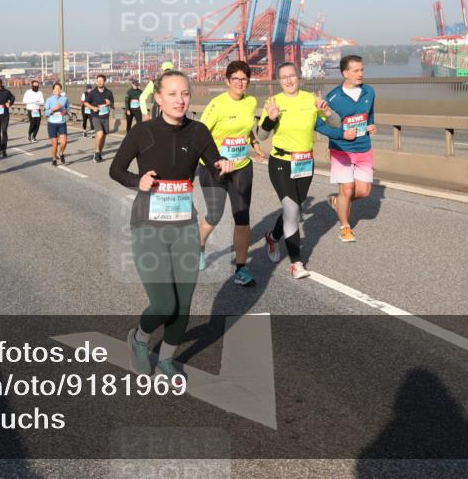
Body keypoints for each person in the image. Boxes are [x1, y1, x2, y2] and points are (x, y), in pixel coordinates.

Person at [111, 70, 234, 379]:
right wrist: (137, 181)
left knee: (184, 303)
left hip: (185, 227)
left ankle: (166, 358)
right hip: (147, 226)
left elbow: (214, 168)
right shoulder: (143, 132)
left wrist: (223, 168)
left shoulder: (199, 132)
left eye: (185, 94)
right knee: (164, 304)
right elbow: (116, 169)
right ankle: (139, 338)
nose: (180, 100)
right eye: (172, 94)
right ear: (159, 98)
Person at [260, 61, 353, 279]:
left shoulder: (311, 99)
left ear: (298, 77)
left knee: (292, 209)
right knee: (293, 211)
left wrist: (327, 110)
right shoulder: (274, 102)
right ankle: (296, 263)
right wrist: (270, 119)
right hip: (281, 161)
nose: (288, 80)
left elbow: (336, 123)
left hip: (304, 163)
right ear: (279, 80)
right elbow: (261, 136)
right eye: (284, 77)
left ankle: (273, 237)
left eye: (292, 76)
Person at [196, 60, 266, 286]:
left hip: (241, 167)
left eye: (244, 79)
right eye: (235, 79)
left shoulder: (251, 102)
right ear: (227, 81)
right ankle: (199, 246)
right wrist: (216, 159)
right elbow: (200, 134)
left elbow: (247, 130)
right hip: (213, 167)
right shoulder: (217, 105)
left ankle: (241, 268)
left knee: (242, 217)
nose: (240, 83)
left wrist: (255, 145)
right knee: (215, 215)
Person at [325, 55, 377, 243]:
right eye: (355, 70)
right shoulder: (333, 97)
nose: (360, 74)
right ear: (344, 73)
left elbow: (369, 116)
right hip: (342, 149)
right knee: (347, 189)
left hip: (364, 148)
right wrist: (341, 134)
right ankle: (345, 227)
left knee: (363, 192)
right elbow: (319, 125)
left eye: (361, 70)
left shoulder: (369, 92)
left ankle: (338, 201)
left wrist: (372, 126)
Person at [84, 74, 114, 162]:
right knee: (100, 133)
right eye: (98, 81)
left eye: (101, 81)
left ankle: (99, 153)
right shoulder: (92, 93)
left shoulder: (109, 92)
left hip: (105, 117)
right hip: (96, 116)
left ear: (104, 82)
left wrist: (110, 104)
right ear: (96, 82)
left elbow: (113, 107)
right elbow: (85, 103)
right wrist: (93, 108)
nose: (99, 82)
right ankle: (96, 153)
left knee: (103, 136)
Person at [44, 82, 70, 166]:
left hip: (62, 123)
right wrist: (53, 109)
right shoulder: (49, 99)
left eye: (59, 89)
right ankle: (54, 159)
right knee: (54, 143)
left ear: (61, 90)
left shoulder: (64, 99)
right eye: (56, 89)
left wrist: (65, 111)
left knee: (64, 142)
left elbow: (67, 110)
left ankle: (61, 153)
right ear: (53, 90)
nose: (57, 90)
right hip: (52, 124)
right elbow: (46, 113)